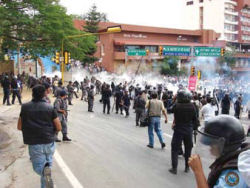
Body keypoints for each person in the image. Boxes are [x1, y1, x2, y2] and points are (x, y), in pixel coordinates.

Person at [17, 85, 62, 188]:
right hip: (49, 142)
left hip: (34, 143)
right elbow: (59, 127)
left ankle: (43, 171)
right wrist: (52, 133)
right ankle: (45, 175)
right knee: (47, 168)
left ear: (32, 94)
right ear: (44, 94)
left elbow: (19, 127)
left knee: (39, 168)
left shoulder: (25, 107)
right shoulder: (50, 107)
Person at [188, 115, 249, 188]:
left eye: (212, 143)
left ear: (223, 145)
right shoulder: (233, 158)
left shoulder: (235, 173)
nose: (210, 147)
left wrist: (198, 171)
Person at [169, 90, 198, 175]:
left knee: (174, 149)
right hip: (188, 130)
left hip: (178, 130)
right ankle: (187, 167)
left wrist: (174, 100)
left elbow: (169, 110)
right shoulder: (192, 106)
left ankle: (174, 168)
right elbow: (195, 119)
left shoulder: (177, 106)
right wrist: (195, 129)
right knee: (188, 149)